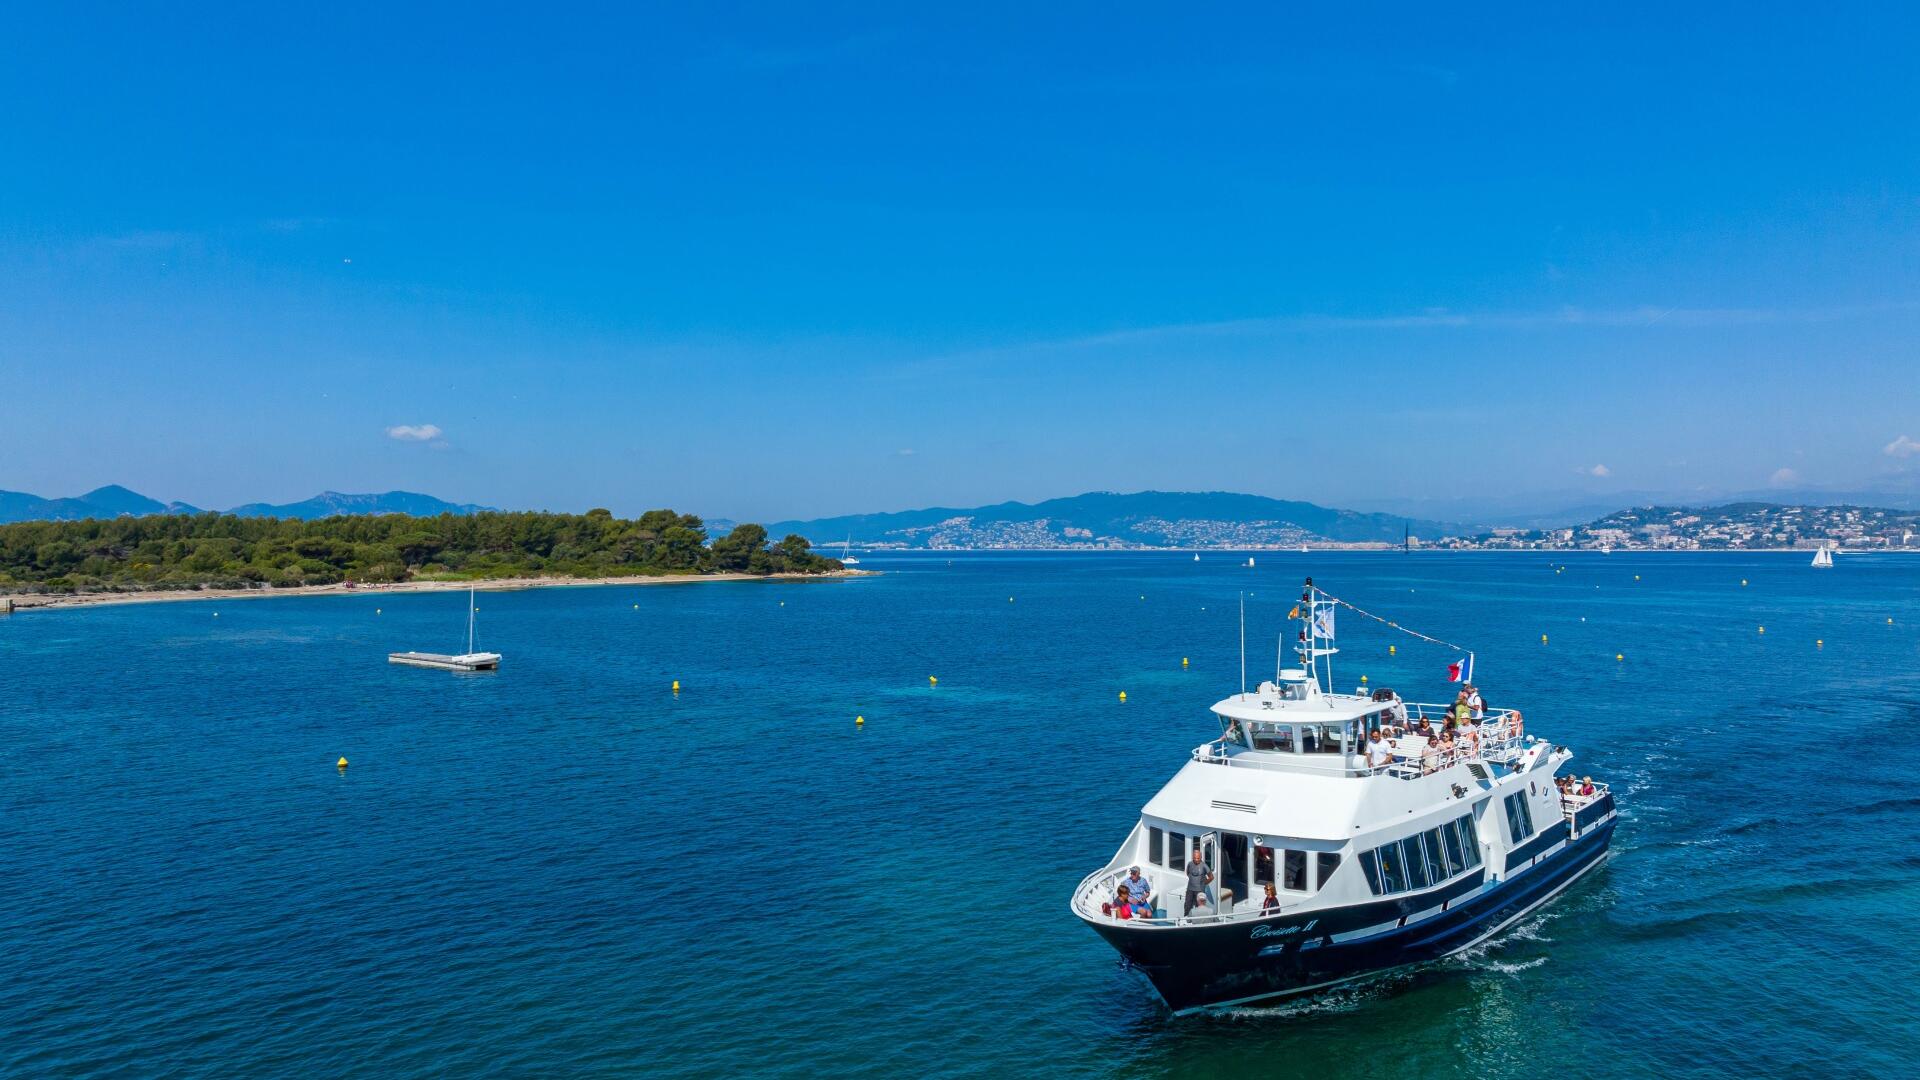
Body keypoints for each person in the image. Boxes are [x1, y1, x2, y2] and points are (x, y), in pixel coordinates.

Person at [1184, 847, 1214, 915]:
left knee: (1199, 906)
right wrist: (1193, 880)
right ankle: (1186, 918)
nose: (1196, 860)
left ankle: (1198, 920)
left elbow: (1211, 877)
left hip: (1200, 890)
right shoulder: (1190, 864)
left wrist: (1204, 883)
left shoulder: (1204, 866)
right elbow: (1188, 873)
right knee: (1187, 905)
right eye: (1194, 858)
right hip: (1190, 889)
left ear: (1201, 857)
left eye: (1197, 858)